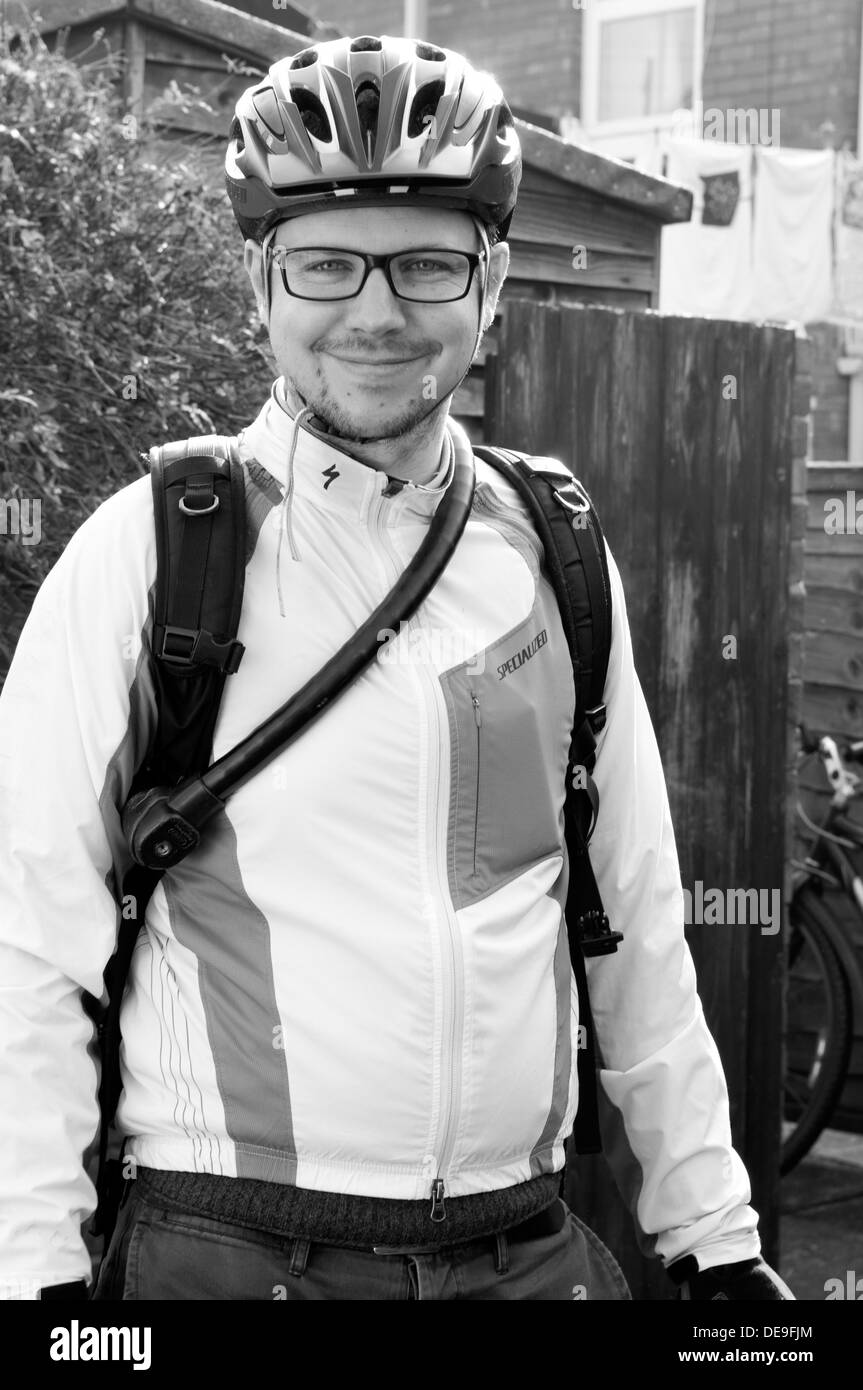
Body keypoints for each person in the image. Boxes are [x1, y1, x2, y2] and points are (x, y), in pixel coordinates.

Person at [0, 34, 793, 1302]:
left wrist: (714, 1231)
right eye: (324, 262)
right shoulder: (148, 553)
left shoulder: (554, 553)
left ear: (486, 291)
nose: (375, 312)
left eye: (426, 262)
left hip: (523, 1251)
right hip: (227, 1252)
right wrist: (31, 1270)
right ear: (258, 285)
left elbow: (632, 918)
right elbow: (28, 943)